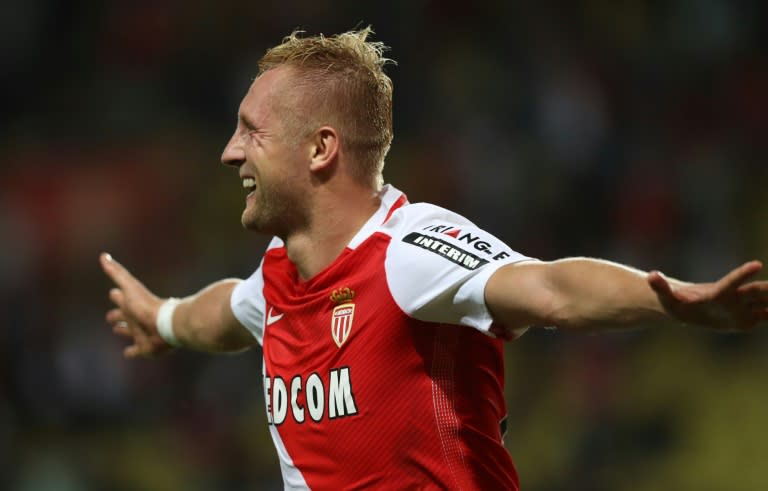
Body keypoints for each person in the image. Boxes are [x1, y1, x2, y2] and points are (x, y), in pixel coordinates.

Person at [100, 28, 768, 490]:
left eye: (251, 130)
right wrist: (160, 318)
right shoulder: (280, 273)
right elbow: (225, 312)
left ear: (319, 148)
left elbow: (549, 288)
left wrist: (675, 302)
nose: (230, 151)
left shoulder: (407, 251)